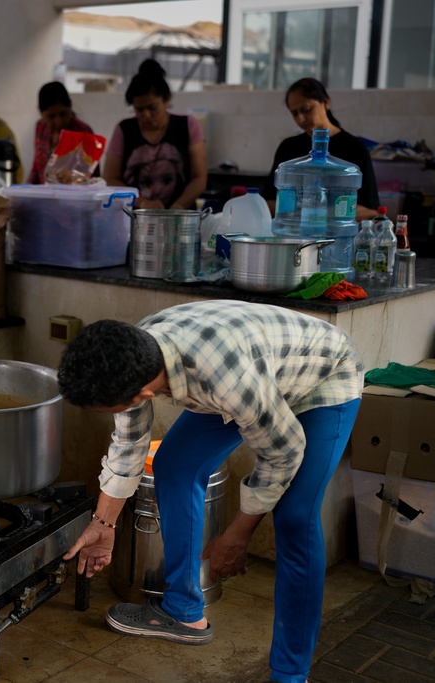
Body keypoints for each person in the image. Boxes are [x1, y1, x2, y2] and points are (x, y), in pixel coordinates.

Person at [57, 300, 363, 683]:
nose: (110, 414)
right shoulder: (133, 356)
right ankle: (183, 612)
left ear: (143, 395)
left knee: (295, 517)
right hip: (254, 373)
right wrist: (104, 523)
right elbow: (128, 443)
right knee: (174, 465)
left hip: (323, 378)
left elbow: (283, 450)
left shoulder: (226, 377)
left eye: (108, 408)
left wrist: (237, 535)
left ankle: (289, 674)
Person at [262, 78, 380, 222]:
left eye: (306, 110)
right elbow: (267, 202)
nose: (301, 119)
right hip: (294, 235)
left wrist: (318, 214)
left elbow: (370, 210)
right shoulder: (289, 148)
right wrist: (303, 213)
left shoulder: (354, 148)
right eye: (294, 113)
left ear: (325, 103)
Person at [103, 59, 207, 210]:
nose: (146, 115)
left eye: (152, 108)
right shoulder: (124, 129)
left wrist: (178, 207)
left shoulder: (188, 125)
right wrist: (142, 203)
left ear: (166, 100)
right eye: (139, 110)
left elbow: (199, 179)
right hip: (136, 218)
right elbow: (110, 179)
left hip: (180, 218)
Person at [27, 81, 98, 184]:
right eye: (51, 117)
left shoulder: (83, 132)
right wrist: (27, 189)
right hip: (43, 193)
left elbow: (91, 174)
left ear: (70, 109)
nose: (58, 121)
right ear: (42, 114)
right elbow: (37, 165)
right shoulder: (41, 127)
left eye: (63, 114)